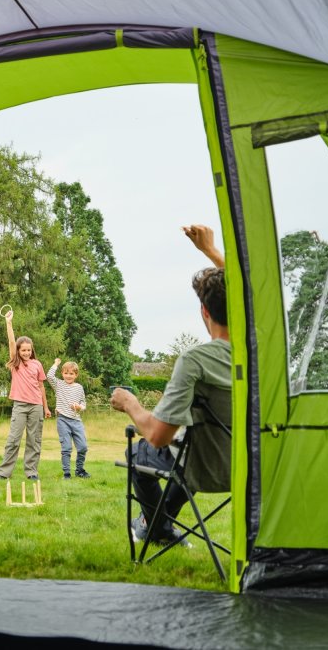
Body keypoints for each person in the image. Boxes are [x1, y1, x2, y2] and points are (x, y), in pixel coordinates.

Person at [111, 225, 231, 545]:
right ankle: (158, 527)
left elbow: (158, 436)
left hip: (203, 469)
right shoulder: (262, 352)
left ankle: (156, 527)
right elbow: (251, 297)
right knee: (186, 451)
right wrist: (212, 253)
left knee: (141, 453)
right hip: (254, 465)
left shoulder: (195, 360)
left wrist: (129, 403)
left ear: (204, 312)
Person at [0, 309, 51, 481]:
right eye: (23, 350)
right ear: (18, 351)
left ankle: (31, 472)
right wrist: (9, 323)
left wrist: (46, 408)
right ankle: (4, 473)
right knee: (13, 439)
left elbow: (41, 386)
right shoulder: (16, 364)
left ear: (31, 350)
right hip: (20, 406)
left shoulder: (37, 364)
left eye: (28, 350)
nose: (26, 353)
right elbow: (12, 343)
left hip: (36, 406)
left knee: (34, 441)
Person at [47, 358, 90, 478]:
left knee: (83, 447)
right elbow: (49, 376)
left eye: (71, 373)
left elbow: (84, 404)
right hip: (63, 420)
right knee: (66, 448)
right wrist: (55, 364)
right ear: (62, 373)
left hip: (76, 421)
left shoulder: (79, 388)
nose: (68, 376)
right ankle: (66, 473)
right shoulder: (59, 385)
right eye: (66, 373)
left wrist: (78, 407)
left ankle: (80, 470)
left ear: (76, 375)